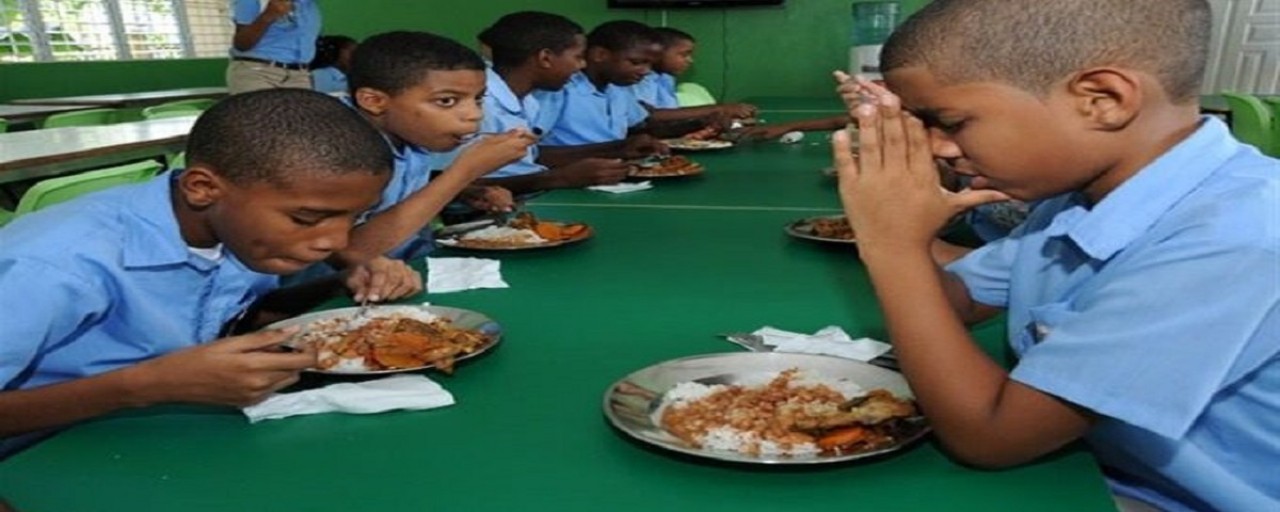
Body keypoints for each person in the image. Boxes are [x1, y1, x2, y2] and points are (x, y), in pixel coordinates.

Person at [830, 1, 1278, 511]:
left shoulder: (1234, 239)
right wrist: (896, 223)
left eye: (950, 122)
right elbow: (960, 300)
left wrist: (892, 247)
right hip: (1099, 468)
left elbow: (989, 437)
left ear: (1102, 100)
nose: (939, 148)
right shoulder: (1081, 194)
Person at [0, 89, 422, 456]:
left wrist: (338, 281)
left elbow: (227, 313)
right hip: (36, 454)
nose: (335, 241)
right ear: (202, 188)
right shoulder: (55, 265)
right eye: (308, 218)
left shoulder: (237, 229)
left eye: (355, 218)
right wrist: (147, 386)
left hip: (141, 429)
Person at [329, 31, 535, 265]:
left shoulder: (410, 134)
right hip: (332, 294)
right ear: (374, 101)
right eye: (446, 101)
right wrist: (462, 173)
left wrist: (461, 190)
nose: (475, 115)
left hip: (411, 265)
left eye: (478, 99)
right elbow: (350, 253)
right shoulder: (338, 148)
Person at [466, 11, 632, 196]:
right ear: (545, 58)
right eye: (577, 57)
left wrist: (616, 149)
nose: (582, 66)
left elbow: (533, 158)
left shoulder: (529, 102)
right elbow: (454, 184)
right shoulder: (480, 104)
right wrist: (559, 178)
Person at [537, 21, 679, 160]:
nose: (646, 71)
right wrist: (615, 149)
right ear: (600, 55)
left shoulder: (618, 88)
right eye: (636, 62)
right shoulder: (558, 89)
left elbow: (640, 125)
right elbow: (531, 153)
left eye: (651, 64)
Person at [633, 27, 756, 129]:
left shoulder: (666, 78)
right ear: (657, 52)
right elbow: (651, 116)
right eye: (684, 54)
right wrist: (718, 109)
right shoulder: (640, 79)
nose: (690, 61)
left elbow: (671, 113)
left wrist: (707, 119)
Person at [227, 0, 322, 94]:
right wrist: (268, 16)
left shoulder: (308, 4)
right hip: (258, 72)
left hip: (300, 76)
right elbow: (241, 44)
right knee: (265, 109)